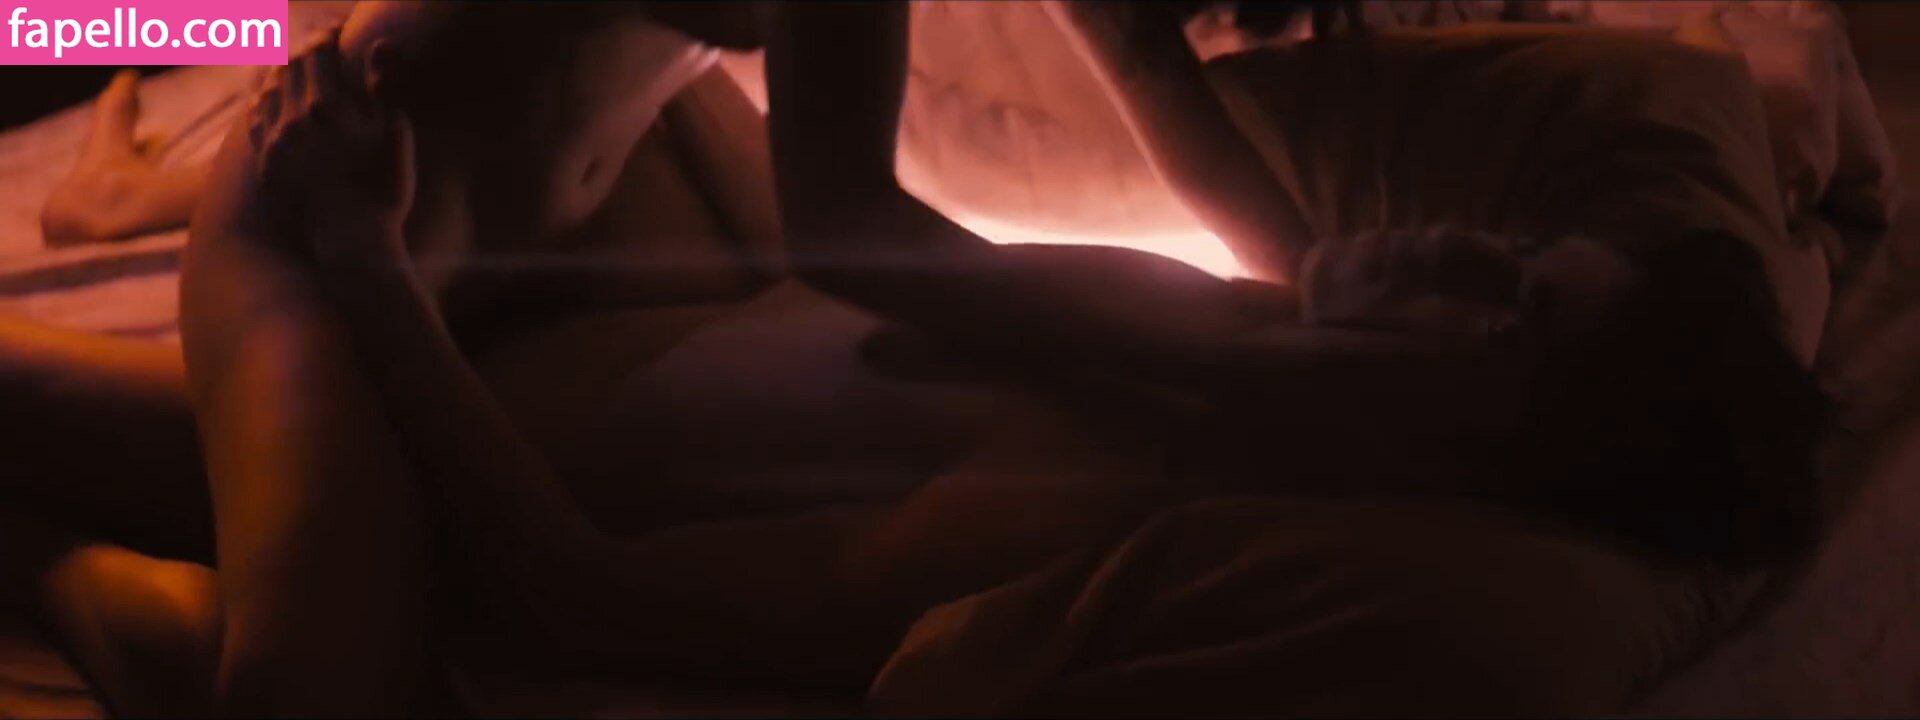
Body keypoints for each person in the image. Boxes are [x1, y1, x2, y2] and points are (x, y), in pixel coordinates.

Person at [1, 1, 1825, 716]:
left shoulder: (1177, 452)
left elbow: (600, 589)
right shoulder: (1248, 357)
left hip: (488, 269)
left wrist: (1327, 305)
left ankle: (45, 555)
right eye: (1512, 249)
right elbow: (863, 227)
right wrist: (1347, 303)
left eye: (1505, 294)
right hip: (363, 206)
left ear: (1471, 425)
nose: (1464, 248)